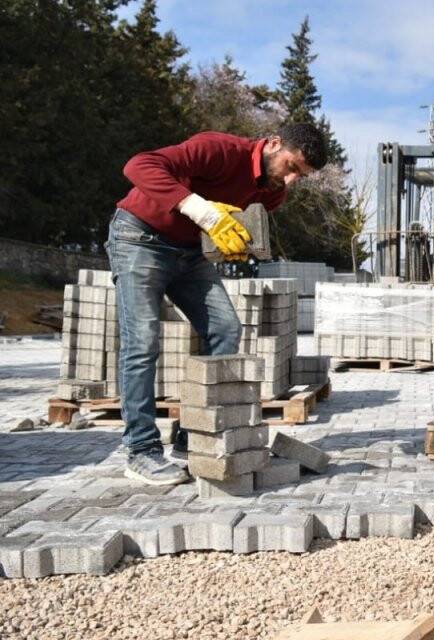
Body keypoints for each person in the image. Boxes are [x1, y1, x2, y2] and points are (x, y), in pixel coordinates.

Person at [108, 123, 327, 486]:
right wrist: (202, 211)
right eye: (291, 167)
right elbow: (138, 165)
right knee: (142, 342)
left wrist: (241, 244)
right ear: (273, 144)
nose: (291, 181)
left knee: (225, 329)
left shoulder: (272, 193)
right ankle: (141, 451)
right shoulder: (220, 150)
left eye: (300, 177)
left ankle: (189, 437)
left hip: (190, 255)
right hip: (139, 237)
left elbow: (244, 223)